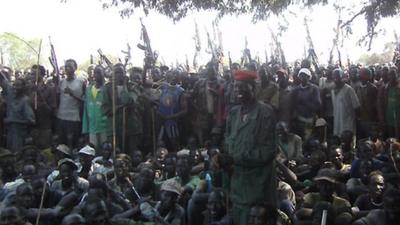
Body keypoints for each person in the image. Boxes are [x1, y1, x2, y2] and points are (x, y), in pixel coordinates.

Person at [225, 69, 277, 225]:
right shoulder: (233, 114)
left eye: (242, 87)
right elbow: (229, 142)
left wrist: (235, 159)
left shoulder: (265, 113)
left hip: (258, 188)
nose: (237, 90)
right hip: (237, 187)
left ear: (253, 88)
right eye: (235, 87)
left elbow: (268, 152)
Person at [0, 75, 35, 152]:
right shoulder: (10, 96)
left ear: (23, 87)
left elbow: (31, 121)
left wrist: (12, 120)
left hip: (19, 135)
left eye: (18, 85)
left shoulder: (25, 101)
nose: (15, 87)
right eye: (14, 85)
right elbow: (3, 80)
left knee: (17, 156)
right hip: (9, 133)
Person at [56, 59, 86, 148]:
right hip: (61, 117)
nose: (67, 69)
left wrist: (72, 94)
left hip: (74, 118)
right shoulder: (61, 82)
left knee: (72, 144)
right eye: (66, 67)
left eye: (70, 66)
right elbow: (57, 98)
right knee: (62, 144)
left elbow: (84, 100)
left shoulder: (81, 82)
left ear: (75, 68)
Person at [82, 65, 111, 150]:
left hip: (104, 128)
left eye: (99, 72)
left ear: (103, 74)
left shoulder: (107, 89)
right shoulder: (88, 89)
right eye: (95, 72)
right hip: (92, 128)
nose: (96, 75)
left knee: (105, 150)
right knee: (93, 151)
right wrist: (85, 129)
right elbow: (85, 110)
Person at [158, 71, 188, 151]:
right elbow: (145, 83)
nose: (173, 78)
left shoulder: (181, 91)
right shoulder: (163, 87)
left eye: (176, 76)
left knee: (174, 142)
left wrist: (169, 117)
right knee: (159, 142)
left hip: (172, 122)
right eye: (172, 75)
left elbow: (185, 110)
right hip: (160, 120)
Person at [29, 64, 57, 149]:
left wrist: (40, 96)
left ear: (42, 75)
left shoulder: (49, 89)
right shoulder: (28, 88)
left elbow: (51, 110)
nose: (32, 76)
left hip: (44, 126)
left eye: (34, 74)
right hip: (31, 126)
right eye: (31, 74)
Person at [291, 68, 321, 140]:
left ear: (308, 77)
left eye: (305, 76)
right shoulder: (296, 89)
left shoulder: (314, 89)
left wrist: (305, 103)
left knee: (308, 139)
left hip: (309, 119)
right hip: (299, 119)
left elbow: (318, 104)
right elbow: (293, 104)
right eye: (301, 76)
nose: (302, 78)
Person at [331, 68, 360, 137]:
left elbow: (357, 106)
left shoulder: (349, 89)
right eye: (334, 77)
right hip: (337, 123)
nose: (335, 79)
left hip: (348, 124)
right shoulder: (332, 90)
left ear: (342, 77)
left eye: (337, 77)